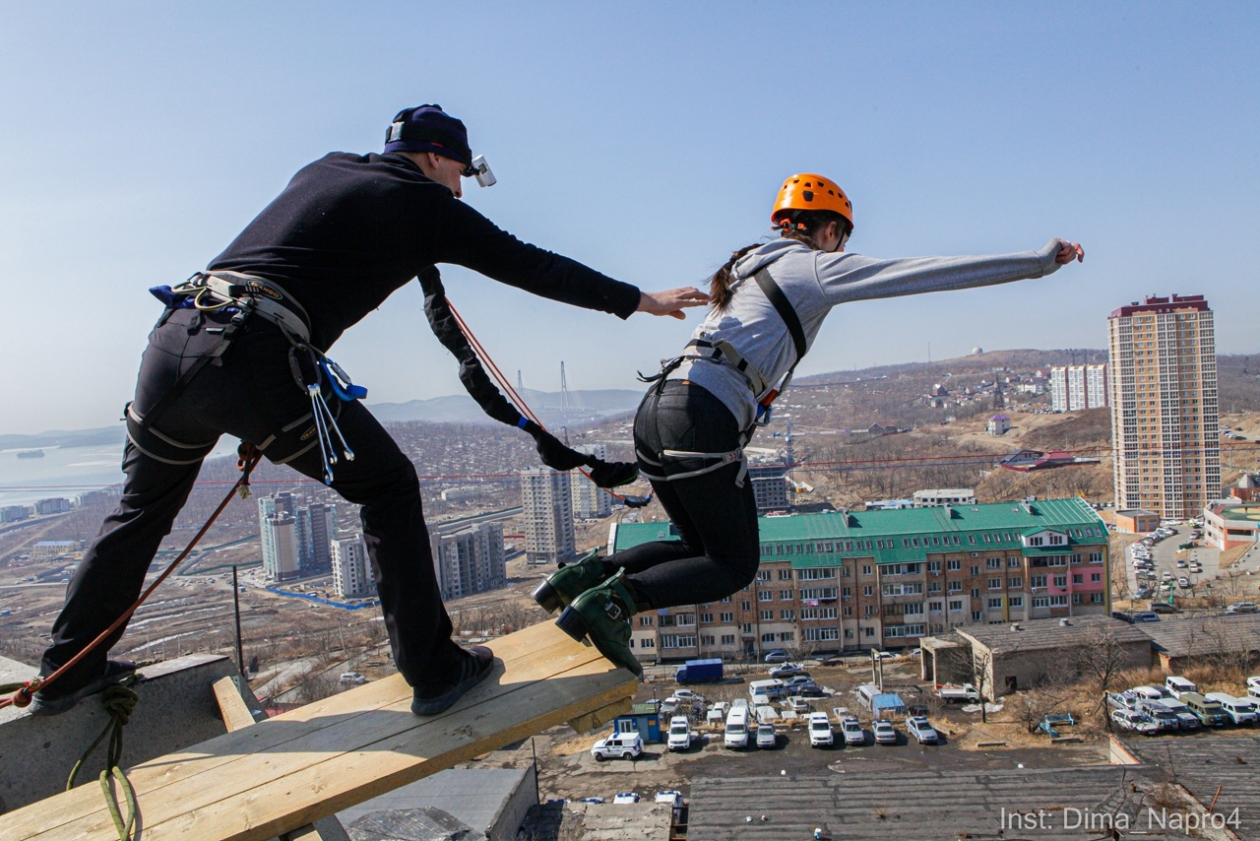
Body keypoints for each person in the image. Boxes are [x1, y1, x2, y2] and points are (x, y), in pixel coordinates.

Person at [31, 105, 707, 716]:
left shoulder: (324, 166)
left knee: (140, 508)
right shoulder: (422, 202)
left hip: (175, 342)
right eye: (461, 172)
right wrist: (636, 298)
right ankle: (435, 668)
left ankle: (66, 671)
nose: (462, 189)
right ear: (437, 156)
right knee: (387, 485)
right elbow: (530, 265)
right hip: (251, 353)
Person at [532, 173, 1084, 675]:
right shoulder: (809, 266)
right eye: (839, 240)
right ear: (826, 232)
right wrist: (1036, 264)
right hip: (702, 416)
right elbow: (920, 274)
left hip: (659, 408)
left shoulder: (747, 269)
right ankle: (611, 605)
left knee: (697, 546)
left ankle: (582, 578)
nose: (841, 251)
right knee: (733, 566)